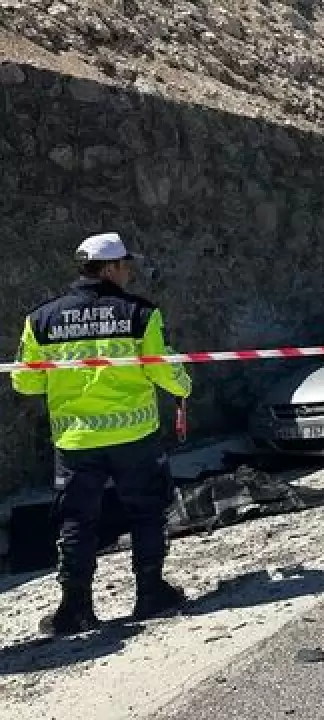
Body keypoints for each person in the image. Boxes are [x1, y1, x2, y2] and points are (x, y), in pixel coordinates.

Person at [11, 233, 194, 635]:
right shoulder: (140, 313)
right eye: (125, 265)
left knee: (76, 521)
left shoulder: (41, 319)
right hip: (134, 436)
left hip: (76, 440)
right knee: (146, 512)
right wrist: (183, 387)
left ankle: (75, 609)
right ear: (110, 268)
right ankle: (151, 594)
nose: (129, 272)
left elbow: (25, 382)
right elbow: (162, 368)